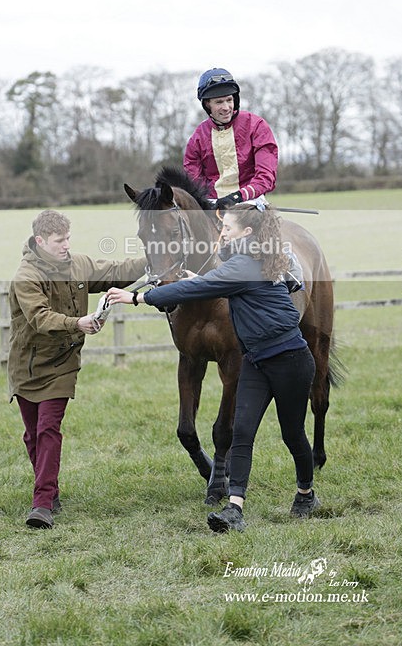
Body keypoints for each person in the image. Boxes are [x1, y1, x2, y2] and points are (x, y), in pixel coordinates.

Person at [106, 203, 319, 532]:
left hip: (290, 360)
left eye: (227, 229)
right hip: (256, 361)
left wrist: (137, 299)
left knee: (293, 436)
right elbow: (213, 281)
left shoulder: (245, 265)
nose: (221, 234)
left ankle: (306, 494)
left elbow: (202, 287)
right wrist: (198, 277)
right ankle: (235, 509)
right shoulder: (246, 261)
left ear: (246, 233)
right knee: (243, 432)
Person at [8, 209, 146, 529]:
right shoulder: (26, 276)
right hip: (27, 365)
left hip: (63, 364)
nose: (66, 245)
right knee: (32, 435)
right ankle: (51, 489)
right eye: (59, 240)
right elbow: (40, 318)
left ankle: (42, 503)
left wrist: (151, 260)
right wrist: (78, 323)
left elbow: (115, 271)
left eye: (68, 238)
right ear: (41, 241)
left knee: (48, 429)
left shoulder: (79, 264)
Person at [183, 68, 279, 210]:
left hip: (250, 202)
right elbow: (194, 181)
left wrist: (237, 196)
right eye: (219, 102)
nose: (226, 107)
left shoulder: (257, 126)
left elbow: (266, 176)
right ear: (207, 104)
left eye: (229, 100)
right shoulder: (197, 138)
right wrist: (209, 201)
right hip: (213, 205)